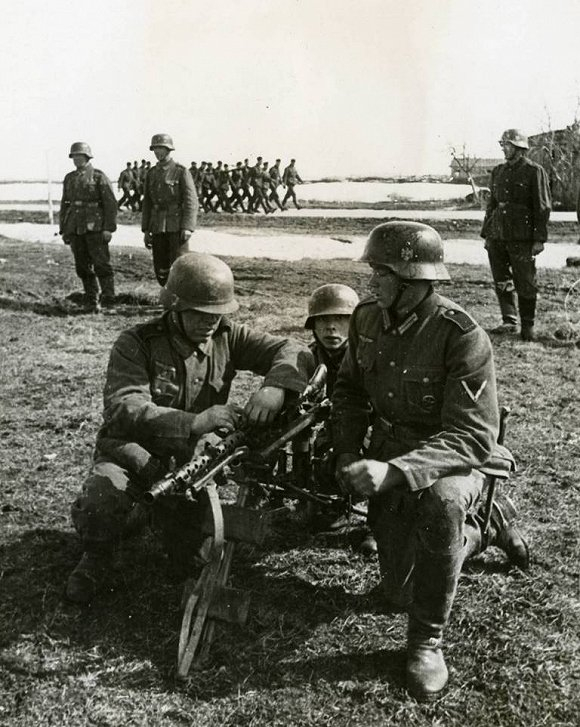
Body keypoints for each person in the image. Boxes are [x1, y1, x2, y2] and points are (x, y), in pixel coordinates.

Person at [332, 221, 529, 700]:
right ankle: (483, 533)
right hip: (388, 455)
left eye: (380, 273)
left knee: (442, 504)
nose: (371, 282)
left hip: (453, 461)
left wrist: (396, 471)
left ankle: (426, 642)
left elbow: (472, 435)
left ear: (411, 280)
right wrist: (347, 450)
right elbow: (349, 391)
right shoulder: (366, 320)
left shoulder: (461, 335)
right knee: (398, 592)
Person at [65, 252, 313, 605]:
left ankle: (157, 518)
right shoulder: (137, 342)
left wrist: (275, 387)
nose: (210, 322)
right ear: (175, 307)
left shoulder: (228, 336)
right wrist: (194, 422)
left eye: (217, 313)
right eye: (200, 313)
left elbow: (293, 348)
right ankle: (96, 557)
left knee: (190, 555)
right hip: (130, 454)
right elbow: (123, 407)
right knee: (100, 504)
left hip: (190, 464)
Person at [304, 284, 377, 555]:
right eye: (322, 320)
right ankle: (331, 503)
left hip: (371, 430)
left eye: (340, 319)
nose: (331, 328)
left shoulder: (369, 356)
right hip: (334, 431)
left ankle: (379, 524)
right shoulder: (310, 357)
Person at [481, 129, 552, 341]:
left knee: (526, 281)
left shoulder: (534, 171)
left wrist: (539, 239)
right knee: (501, 278)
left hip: (522, 236)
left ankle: (527, 326)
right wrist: (487, 234)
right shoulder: (498, 171)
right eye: (502, 144)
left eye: (507, 145)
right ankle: (509, 321)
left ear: (520, 148)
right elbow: (491, 205)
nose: (503, 148)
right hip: (497, 234)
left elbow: (542, 207)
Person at [59, 142, 117, 312]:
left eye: (79, 156)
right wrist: (64, 228)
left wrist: (108, 228)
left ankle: (109, 299)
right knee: (82, 266)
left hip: (95, 227)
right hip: (75, 227)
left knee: (101, 264)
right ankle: (91, 299)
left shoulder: (98, 176)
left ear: (87, 157)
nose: (76, 159)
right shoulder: (69, 178)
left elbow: (110, 204)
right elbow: (65, 204)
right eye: (74, 156)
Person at [141, 133, 199, 286]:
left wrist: (187, 227)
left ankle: (180, 298)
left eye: (160, 148)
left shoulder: (181, 171)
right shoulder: (152, 173)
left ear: (168, 149)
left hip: (176, 226)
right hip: (157, 225)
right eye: (155, 149)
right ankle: (166, 296)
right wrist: (146, 229)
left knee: (179, 264)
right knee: (160, 266)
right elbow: (147, 203)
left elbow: (191, 201)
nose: (157, 152)